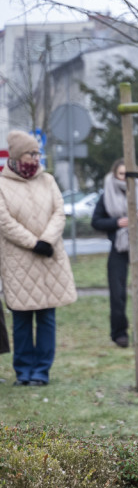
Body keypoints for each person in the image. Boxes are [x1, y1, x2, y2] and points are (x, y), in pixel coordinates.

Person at [0, 130, 77, 385]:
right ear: (17, 155)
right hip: (19, 262)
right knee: (21, 320)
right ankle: (23, 371)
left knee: (47, 318)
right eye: (31, 153)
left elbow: (59, 212)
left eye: (38, 153)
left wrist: (47, 240)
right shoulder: (2, 185)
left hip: (48, 258)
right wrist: (34, 244)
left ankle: (42, 371)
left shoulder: (48, 180)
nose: (36, 157)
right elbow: (4, 222)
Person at [91, 158, 138, 347]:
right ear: (115, 175)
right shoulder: (107, 193)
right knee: (117, 293)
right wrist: (116, 222)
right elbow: (96, 221)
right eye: (121, 174)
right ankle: (119, 334)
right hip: (118, 247)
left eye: (128, 174)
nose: (125, 178)